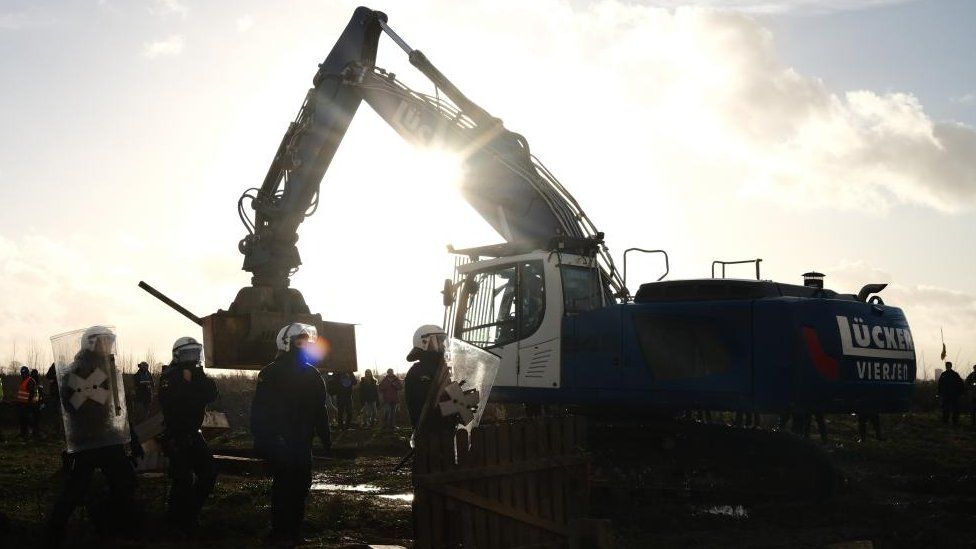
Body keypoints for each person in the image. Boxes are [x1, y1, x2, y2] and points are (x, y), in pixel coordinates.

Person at [47, 325, 142, 547]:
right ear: (91, 343)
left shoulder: (109, 370)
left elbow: (119, 412)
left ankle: (117, 529)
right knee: (75, 489)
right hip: (88, 441)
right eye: (104, 341)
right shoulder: (76, 371)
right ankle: (54, 533)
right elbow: (72, 408)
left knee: (125, 483)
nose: (109, 346)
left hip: (109, 438)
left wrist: (132, 438)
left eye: (110, 342)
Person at [251, 323, 331, 545]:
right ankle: (279, 532)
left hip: (302, 442)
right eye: (299, 342)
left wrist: (326, 438)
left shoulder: (313, 374)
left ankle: (294, 532)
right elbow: (260, 410)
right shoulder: (271, 373)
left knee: (301, 487)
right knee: (283, 488)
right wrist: (263, 438)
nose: (304, 346)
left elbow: (319, 409)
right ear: (286, 343)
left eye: (307, 342)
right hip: (280, 441)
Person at [158, 337, 219, 532]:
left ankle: (189, 514)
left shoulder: (197, 374)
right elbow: (173, 402)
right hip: (176, 434)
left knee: (208, 473)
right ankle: (176, 521)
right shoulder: (169, 376)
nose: (193, 357)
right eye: (188, 353)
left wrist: (195, 380)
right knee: (182, 479)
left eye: (195, 352)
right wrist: (188, 385)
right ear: (178, 355)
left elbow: (211, 394)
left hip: (194, 433)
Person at [404, 325, 447, 429]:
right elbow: (424, 404)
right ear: (424, 342)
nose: (443, 346)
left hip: (446, 432)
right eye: (439, 341)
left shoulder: (444, 369)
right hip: (428, 433)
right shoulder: (417, 372)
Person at [938, 361, 965, 426]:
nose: (947, 367)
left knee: (955, 409)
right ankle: (945, 421)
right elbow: (940, 384)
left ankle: (955, 421)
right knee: (945, 408)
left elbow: (961, 384)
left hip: (954, 395)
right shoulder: (943, 374)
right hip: (945, 394)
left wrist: (961, 393)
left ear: (950, 366)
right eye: (946, 366)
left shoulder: (955, 374)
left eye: (948, 366)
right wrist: (939, 393)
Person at [15, 365, 38, 440]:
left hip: (28, 405)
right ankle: (23, 434)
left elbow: (31, 393)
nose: (23, 375)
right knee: (22, 420)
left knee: (28, 420)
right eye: (22, 373)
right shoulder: (24, 381)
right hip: (22, 404)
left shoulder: (30, 380)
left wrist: (27, 403)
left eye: (24, 373)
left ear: (27, 373)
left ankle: (28, 435)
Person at [30, 368, 44, 437]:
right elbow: (41, 392)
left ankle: (35, 432)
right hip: (36, 402)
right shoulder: (37, 381)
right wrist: (42, 401)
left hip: (34, 402)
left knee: (35, 418)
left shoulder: (31, 380)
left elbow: (40, 391)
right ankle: (36, 432)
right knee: (36, 418)